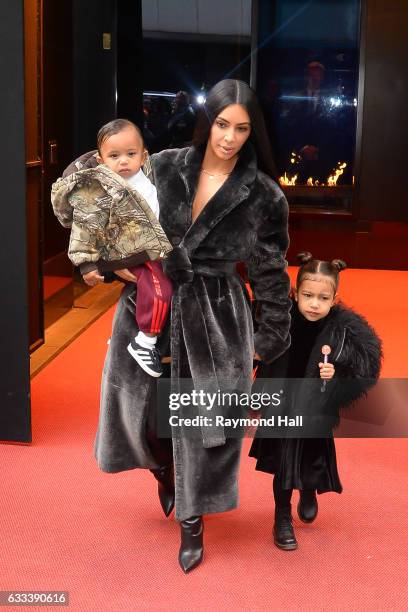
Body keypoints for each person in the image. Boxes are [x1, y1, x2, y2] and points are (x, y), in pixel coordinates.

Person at [86, 79, 291, 573]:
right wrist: (100, 259)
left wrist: (269, 336)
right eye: (223, 124)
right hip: (151, 306)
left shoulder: (264, 194)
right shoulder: (166, 165)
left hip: (217, 314)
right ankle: (165, 472)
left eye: (242, 128)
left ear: (252, 131)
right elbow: (112, 211)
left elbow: (270, 270)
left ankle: (192, 520)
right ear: (209, 121)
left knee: (205, 426)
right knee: (137, 415)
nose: (230, 137)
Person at [249, 252, 382, 550]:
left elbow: (362, 370)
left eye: (323, 298)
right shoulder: (280, 320)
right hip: (281, 406)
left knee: (311, 456)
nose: (314, 304)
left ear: (335, 299)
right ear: (295, 293)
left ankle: (308, 487)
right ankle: (281, 517)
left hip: (314, 410)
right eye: (307, 295)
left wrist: (334, 373)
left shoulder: (344, 331)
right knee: (283, 464)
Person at [51, 119, 173, 377]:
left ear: (144, 155)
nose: (124, 161)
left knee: (156, 287)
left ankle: (124, 339)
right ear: (101, 159)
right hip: (124, 252)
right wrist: (87, 264)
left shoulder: (150, 176)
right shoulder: (98, 189)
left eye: (131, 154)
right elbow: (85, 227)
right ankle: (145, 341)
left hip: (151, 247)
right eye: (114, 156)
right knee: (160, 289)